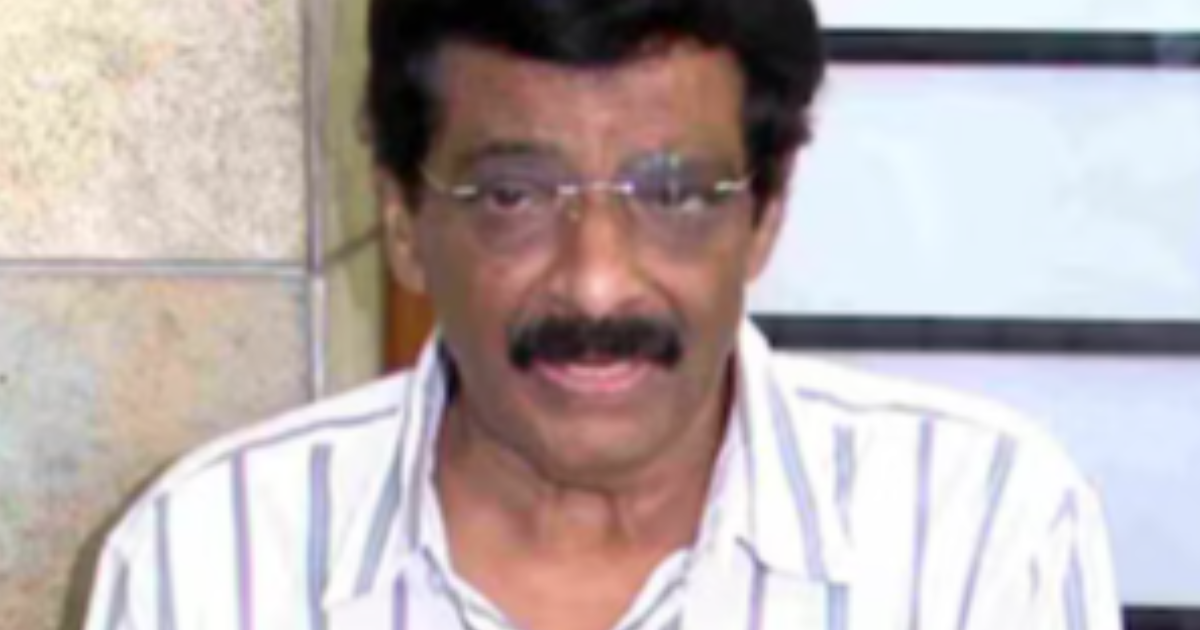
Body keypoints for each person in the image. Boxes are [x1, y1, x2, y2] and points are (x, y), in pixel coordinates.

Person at [83, 0, 1122, 628]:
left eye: (672, 195)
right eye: (513, 196)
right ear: (402, 220)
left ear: (765, 214)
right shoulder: (212, 561)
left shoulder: (978, 533)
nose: (595, 284)